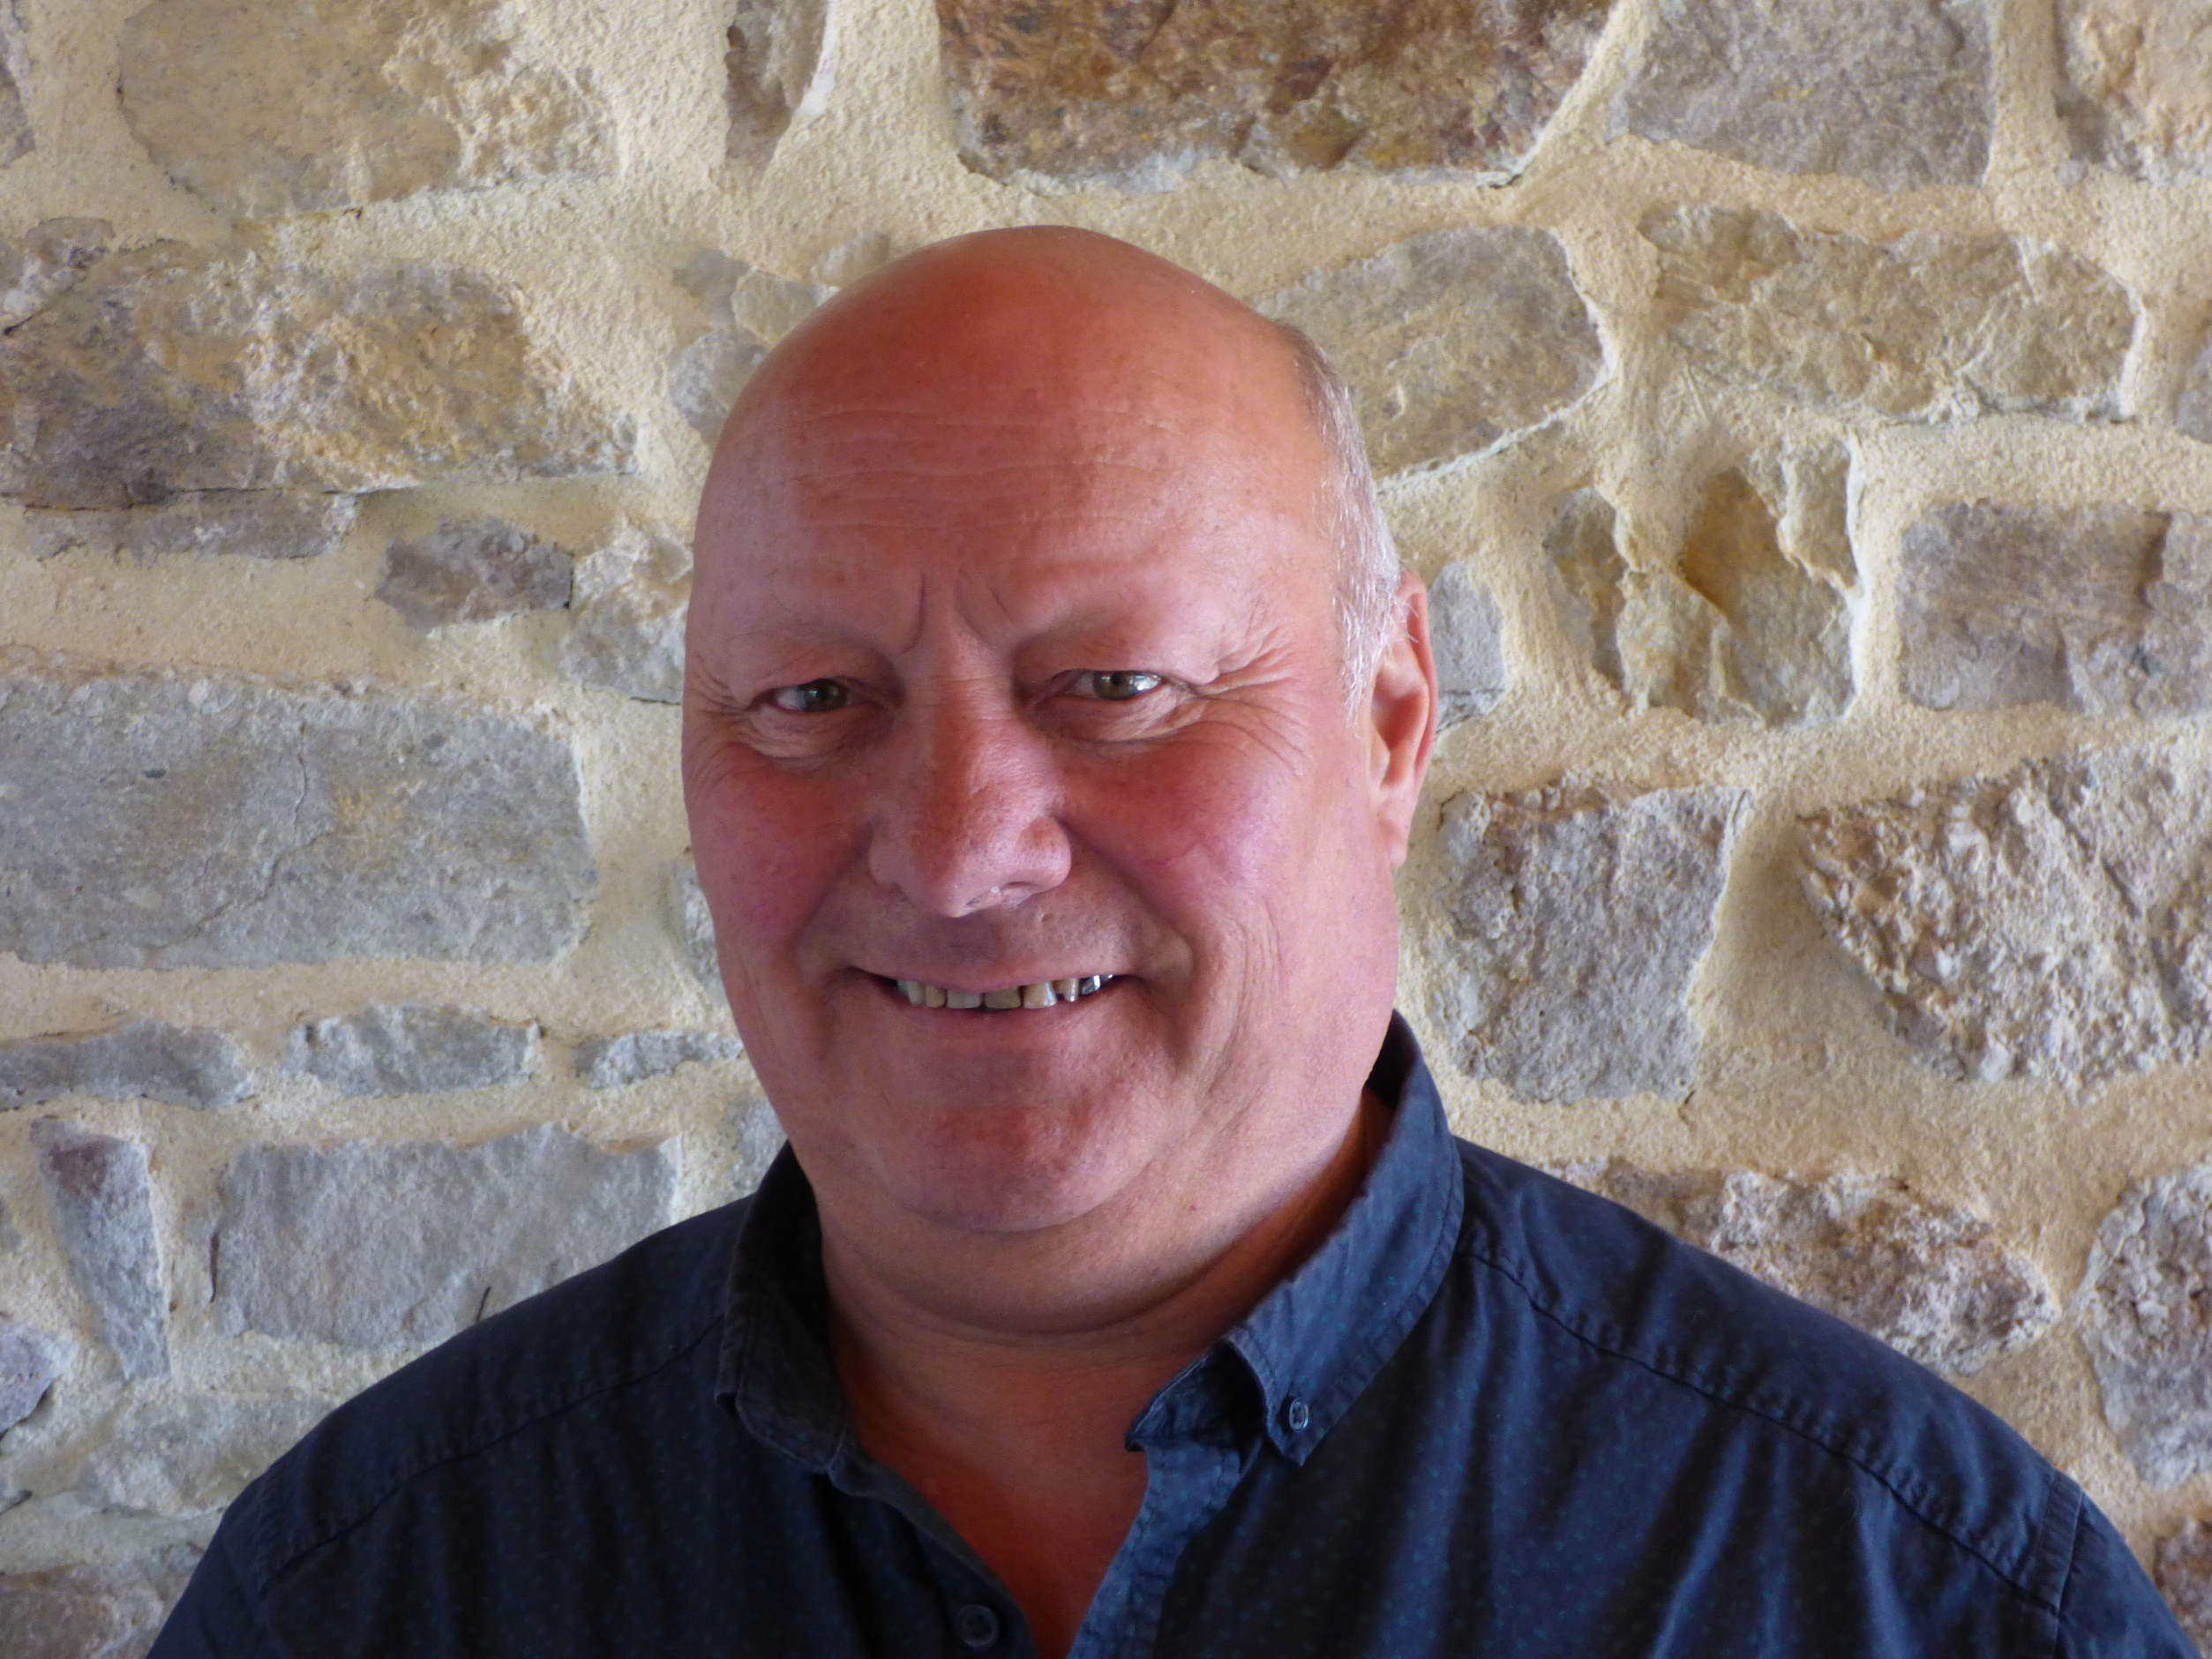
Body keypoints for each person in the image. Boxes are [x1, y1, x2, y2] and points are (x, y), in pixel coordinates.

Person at [151, 228, 2191, 1658]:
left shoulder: (1905, 1595)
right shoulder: (368, 1593)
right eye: (812, 699)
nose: (960, 853)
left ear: (1390, 723)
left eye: (1115, 686)